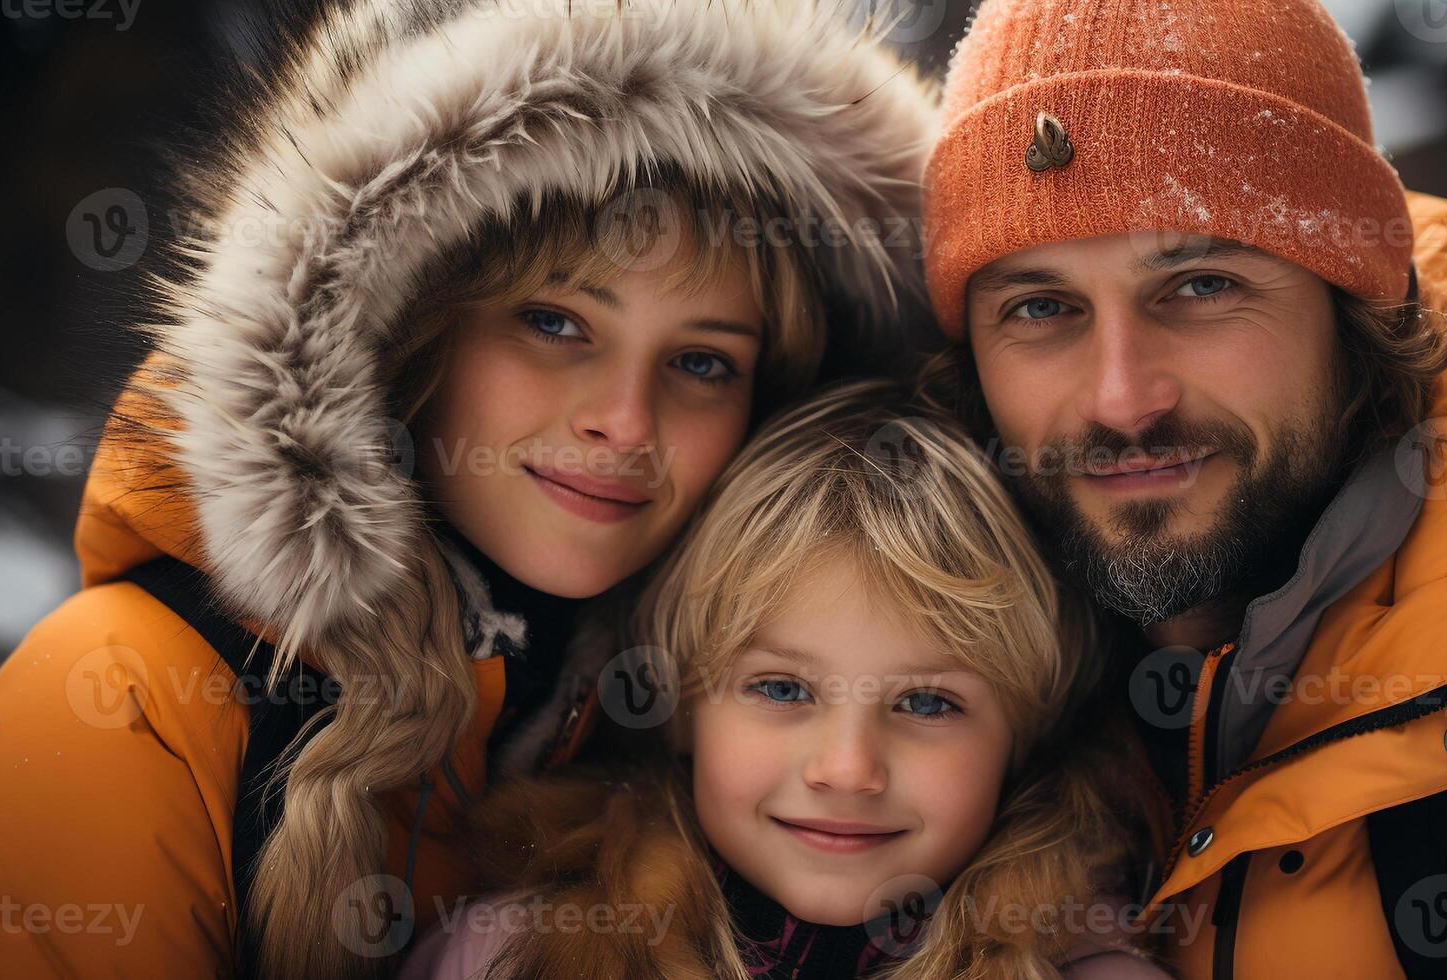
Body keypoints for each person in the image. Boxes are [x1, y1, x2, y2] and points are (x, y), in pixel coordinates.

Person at [0, 1, 936, 977]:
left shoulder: (727, 739)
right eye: (555, 323)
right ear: (403, 332)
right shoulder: (126, 700)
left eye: (701, 362)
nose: (626, 421)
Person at [919, 0, 1447, 976]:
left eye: (1198, 286)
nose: (1120, 397)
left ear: (1353, 308)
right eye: (1039, 305)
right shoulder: (902, 733)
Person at [399, 379, 1170, 980]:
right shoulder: (509, 955)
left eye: (927, 701)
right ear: (684, 704)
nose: (846, 769)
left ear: (1022, 736)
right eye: (782, 690)